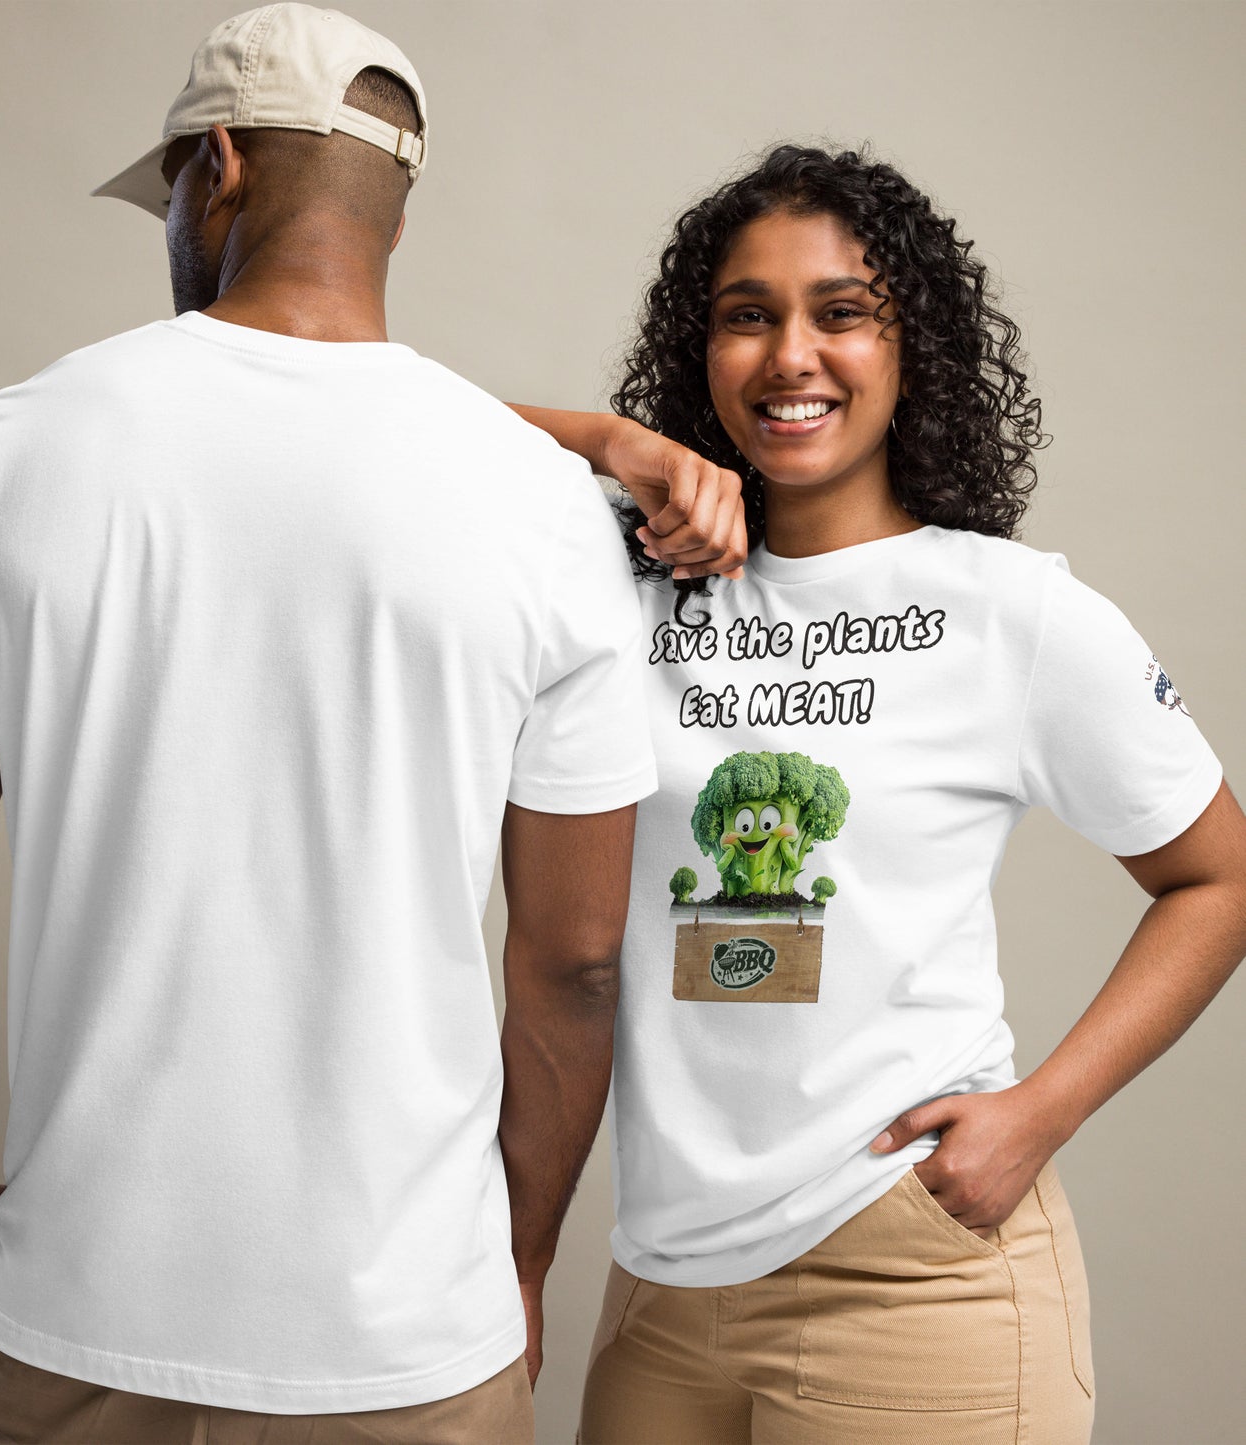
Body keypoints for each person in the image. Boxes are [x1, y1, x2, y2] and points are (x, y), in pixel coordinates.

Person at [0, 6, 657, 1443]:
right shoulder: (540, 506)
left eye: (165, 187)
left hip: (75, 1317)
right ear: (395, 210)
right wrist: (511, 1265)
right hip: (406, 1341)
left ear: (212, 169)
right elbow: (574, 961)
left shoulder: (15, 447)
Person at [514, 143, 1246, 1442]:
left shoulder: (1006, 613)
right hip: (661, 1281)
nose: (790, 354)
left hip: (908, 1275)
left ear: (914, 348)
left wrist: (1039, 1111)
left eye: (840, 312)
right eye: (748, 316)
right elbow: (387, 435)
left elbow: (1218, 876)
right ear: (701, 348)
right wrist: (612, 443)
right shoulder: (617, 593)